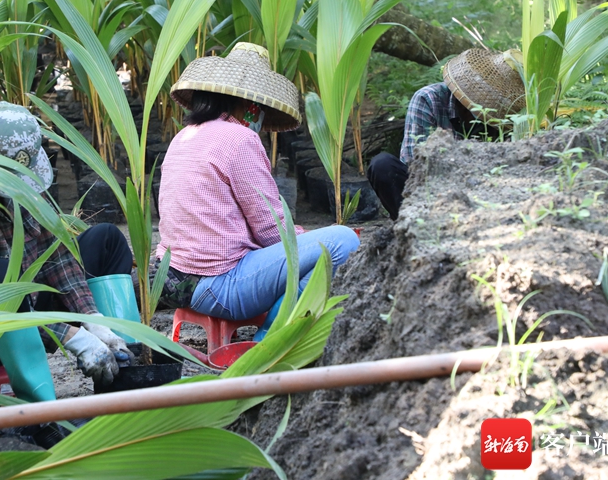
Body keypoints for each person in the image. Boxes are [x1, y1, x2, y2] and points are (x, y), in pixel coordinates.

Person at [155, 42, 360, 338]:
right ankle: (268, 340)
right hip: (220, 286)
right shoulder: (239, 139)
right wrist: (309, 237)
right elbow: (272, 231)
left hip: (172, 278)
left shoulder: (184, 137)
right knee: (342, 241)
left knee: (317, 250)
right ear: (251, 104)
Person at [0, 102, 134, 394]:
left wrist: (94, 320)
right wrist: (73, 337)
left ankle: (119, 358)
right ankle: (39, 406)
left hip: (29, 298)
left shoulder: (26, 181)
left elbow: (56, 257)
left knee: (105, 240)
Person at [367, 48, 525, 220]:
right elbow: (414, 164)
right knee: (382, 166)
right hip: (426, 190)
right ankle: (412, 228)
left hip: (479, 196)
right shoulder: (428, 99)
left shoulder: (507, 116)